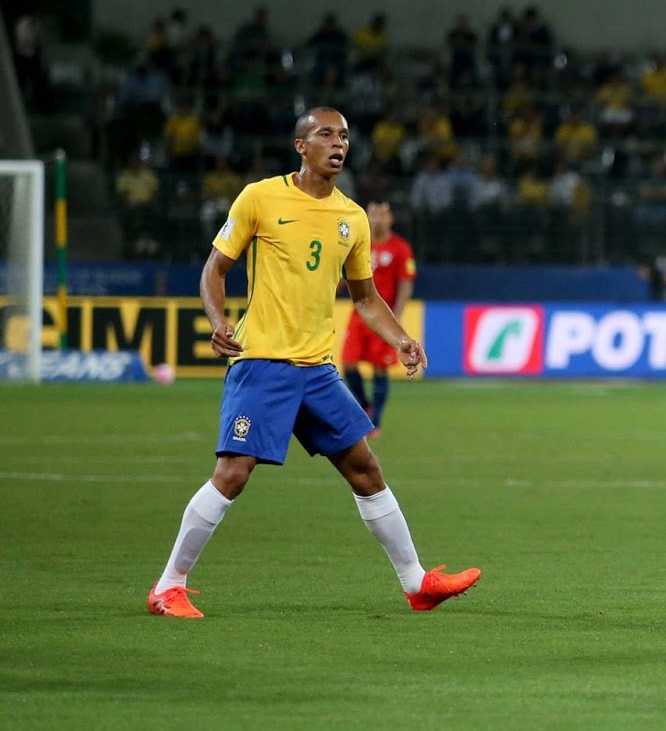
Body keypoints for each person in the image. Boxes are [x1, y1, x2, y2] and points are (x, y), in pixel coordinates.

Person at [146, 108, 479, 619]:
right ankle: (168, 586)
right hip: (263, 363)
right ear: (301, 145)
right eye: (326, 134)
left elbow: (366, 298)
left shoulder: (353, 217)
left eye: (344, 136)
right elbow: (215, 269)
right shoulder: (260, 197)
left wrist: (401, 339)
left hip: (317, 370)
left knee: (366, 470)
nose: (338, 143)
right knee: (233, 473)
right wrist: (218, 320)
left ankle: (417, 585)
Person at [341, 201, 417, 437]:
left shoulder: (400, 248)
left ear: (390, 219)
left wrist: (398, 315)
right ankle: (365, 407)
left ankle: (375, 420)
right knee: (348, 362)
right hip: (358, 314)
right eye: (372, 213)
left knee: (380, 368)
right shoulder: (359, 243)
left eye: (381, 214)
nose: (376, 218)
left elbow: (406, 282)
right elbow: (345, 276)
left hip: (383, 317)